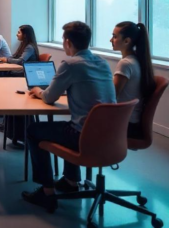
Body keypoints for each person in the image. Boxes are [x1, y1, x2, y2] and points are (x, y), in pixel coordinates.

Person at [22, 21, 116, 212]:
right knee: (69, 124)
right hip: (111, 135)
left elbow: (49, 97)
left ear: (67, 42)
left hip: (84, 136)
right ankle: (70, 181)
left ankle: (47, 192)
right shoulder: (103, 63)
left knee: (33, 130)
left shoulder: (71, 64)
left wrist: (38, 91)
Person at [110, 21, 156, 139]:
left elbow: (111, 97)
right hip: (133, 121)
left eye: (115, 37)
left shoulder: (125, 64)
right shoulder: (136, 60)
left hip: (125, 124)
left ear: (127, 41)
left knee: (79, 126)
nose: (111, 40)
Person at [0, 25, 40, 138]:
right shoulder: (24, 45)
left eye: (19, 32)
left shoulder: (29, 47)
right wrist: (6, 59)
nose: (16, 34)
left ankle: (2, 114)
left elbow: (21, 61)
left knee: (0, 78)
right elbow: (15, 57)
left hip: (24, 74)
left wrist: (7, 60)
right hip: (21, 72)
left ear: (25, 35)